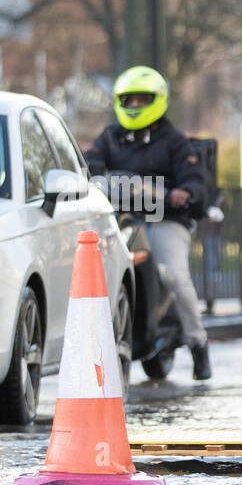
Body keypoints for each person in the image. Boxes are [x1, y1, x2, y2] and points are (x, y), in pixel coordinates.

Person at [85, 66, 212, 380]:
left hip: (165, 218)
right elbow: (88, 162)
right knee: (97, 271)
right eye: (130, 101)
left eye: (143, 100)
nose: (136, 106)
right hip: (123, 218)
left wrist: (187, 193)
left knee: (174, 276)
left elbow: (197, 181)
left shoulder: (176, 141)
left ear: (158, 101)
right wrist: (90, 167)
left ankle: (198, 343)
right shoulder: (110, 137)